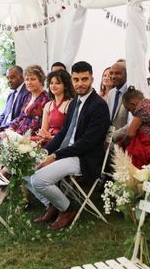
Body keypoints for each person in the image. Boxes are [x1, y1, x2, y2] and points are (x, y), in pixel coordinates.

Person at [27, 61, 109, 230]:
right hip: (67, 152)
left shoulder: (99, 105)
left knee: (39, 180)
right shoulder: (75, 103)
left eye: (85, 79)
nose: (80, 84)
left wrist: (55, 156)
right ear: (71, 80)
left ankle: (67, 208)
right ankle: (53, 204)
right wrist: (45, 151)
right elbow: (64, 132)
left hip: (83, 158)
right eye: (77, 79)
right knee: (26, 168)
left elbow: (87, 143)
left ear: (92, 79)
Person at [7, 65, 49, 135]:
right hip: (18, 133)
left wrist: (15, 134)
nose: (29, 82)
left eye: (33, 79)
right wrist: (11, 128)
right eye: (27, 79)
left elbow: (37, 124)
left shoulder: (45, 99)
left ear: (41, 80)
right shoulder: (28, 96)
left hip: (31, 137)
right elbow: (21, 117)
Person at [36, 69, 74, 143]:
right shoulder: (48, 105)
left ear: (65, 86)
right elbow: (43, 129)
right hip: (47, 140)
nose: (53, 86)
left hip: (62, 142)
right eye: (51, 83)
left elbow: (70, 132)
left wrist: (52, 138)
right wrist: (43, 136)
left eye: (57, 83)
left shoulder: (71, 103)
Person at [0, 66, 30, 132]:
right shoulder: (11, 94)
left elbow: (20, 118)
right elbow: (4, 114)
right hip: (2, 129)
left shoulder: (27, 93)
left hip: (13, 130)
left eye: (13, 77)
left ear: (22, 77)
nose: (9, 81)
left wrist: (1, 128)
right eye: (8, 78)